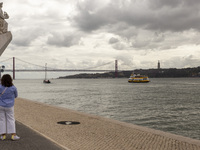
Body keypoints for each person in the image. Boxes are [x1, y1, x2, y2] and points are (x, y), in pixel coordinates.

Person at [0, 74, 20, 141]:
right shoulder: (13, 88)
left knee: (2, 120)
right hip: (10, 106)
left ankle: (3, 136)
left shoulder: (0, 87)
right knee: (11, 119)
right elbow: (16, 96)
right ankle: (13, 135)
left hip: (1, 105)